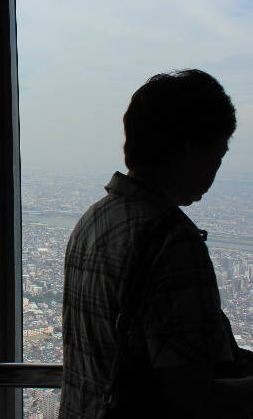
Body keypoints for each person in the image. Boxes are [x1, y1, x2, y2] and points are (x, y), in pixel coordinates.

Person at [59, 69, 253, 419]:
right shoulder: (171, 241)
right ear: (186, 149)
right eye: (217, 154)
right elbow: (193, 400)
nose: (216, 168)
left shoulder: (94, 219)